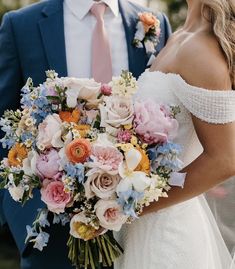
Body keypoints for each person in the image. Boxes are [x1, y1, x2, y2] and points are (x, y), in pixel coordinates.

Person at [0, 0, 171, 268]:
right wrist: (18, 221)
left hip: (139, 236)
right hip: (52, 238)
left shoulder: (154, 24)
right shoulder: (21, 26)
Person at [114, 0, 235, 268]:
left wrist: (131, 205)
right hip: (140, 229)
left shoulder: (203, 48)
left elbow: (225, 160)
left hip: (168, 237)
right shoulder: (179, 36)